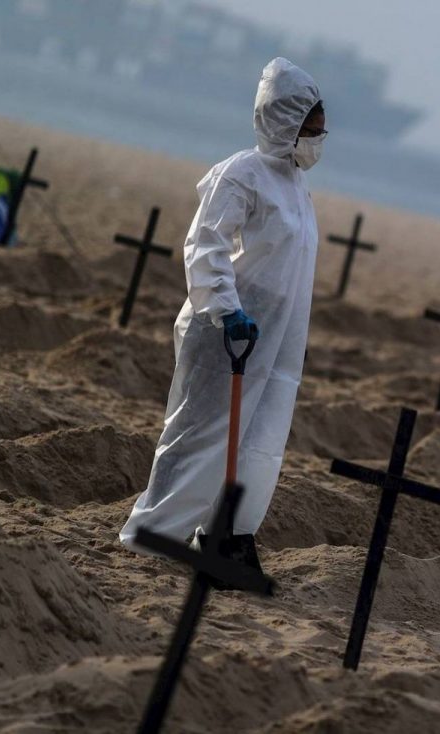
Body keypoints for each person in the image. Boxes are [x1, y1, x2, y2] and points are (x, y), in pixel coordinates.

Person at [120, 58, 326, 573]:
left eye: (322, 132)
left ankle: (226, 535)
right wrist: (226, 310)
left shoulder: (298, 189)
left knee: (260, 444)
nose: (317, 142)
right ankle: (151, 536)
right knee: (200, 435)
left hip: (277, 341)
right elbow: (206, 245)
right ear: (284, 123)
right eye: (311, 130)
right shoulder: (241, 175)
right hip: (227, 332)